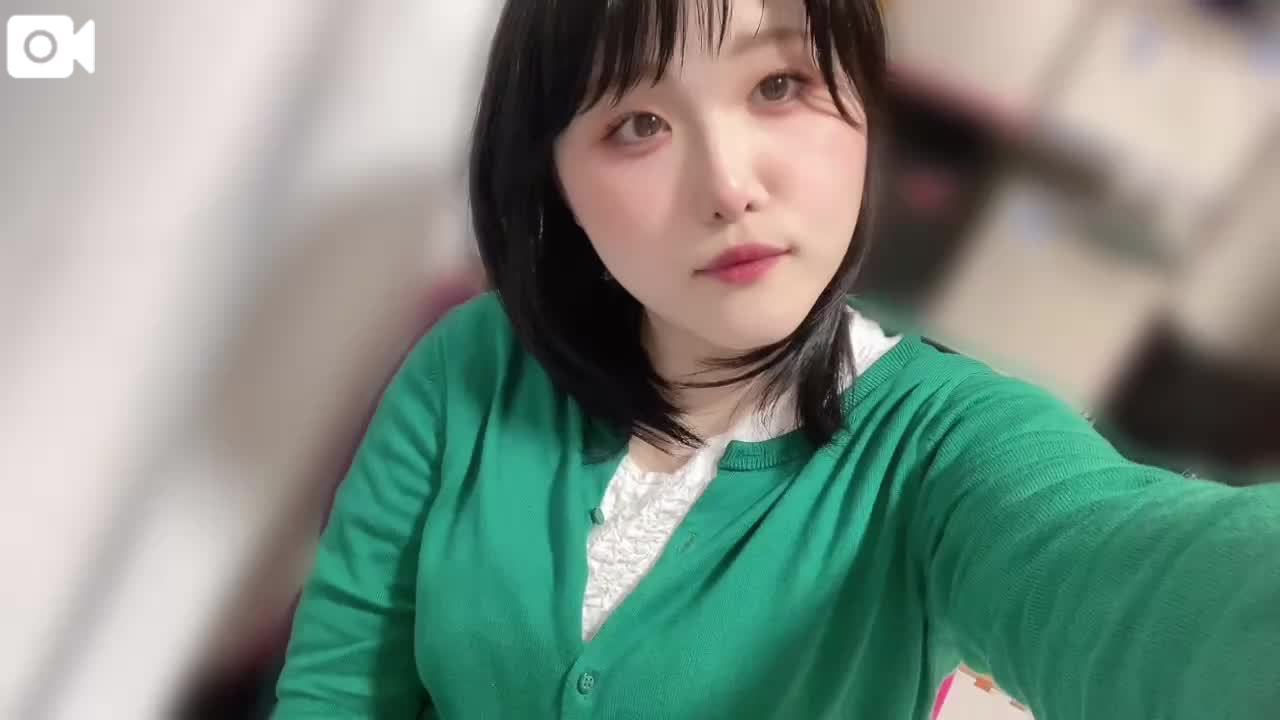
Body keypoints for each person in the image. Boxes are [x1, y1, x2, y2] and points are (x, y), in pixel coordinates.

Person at [272, 0, 1280, 717]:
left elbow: (1135, 576)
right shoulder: (474, 365)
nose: (729, 184)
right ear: (554, 184)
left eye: (778, 84)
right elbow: (337, 688)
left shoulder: (944, 446)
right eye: (638, 123)